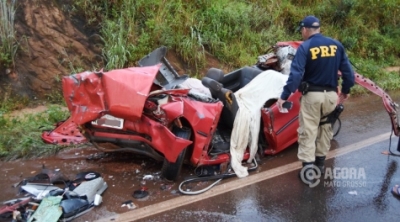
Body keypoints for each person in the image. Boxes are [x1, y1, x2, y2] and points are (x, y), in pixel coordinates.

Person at [277, 15, 355, 183]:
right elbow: (349, 74)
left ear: (305, 30)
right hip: (331, 96)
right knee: (325, 129)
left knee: (308, 131)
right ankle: (320, 165)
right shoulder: (336, 45)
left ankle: (308, 171)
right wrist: (346, 91)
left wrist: (284, 96)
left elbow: (295, 75)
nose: (302, 34)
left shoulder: (306, 47)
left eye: (302, 31)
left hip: (312, 96)